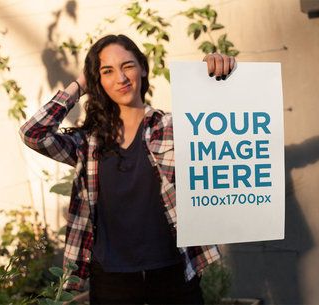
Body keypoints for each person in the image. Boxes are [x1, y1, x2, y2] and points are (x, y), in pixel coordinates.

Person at [19, 34, 235, 304]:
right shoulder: (87, 142)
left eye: (128, 66)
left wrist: (217, 77)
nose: (120, 78)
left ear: (143, 68)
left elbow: (224, 123)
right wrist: (79, 84)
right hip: (111, 280)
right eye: (107, 71)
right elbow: (33, 133)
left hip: (173, 274)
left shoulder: (170, 127)